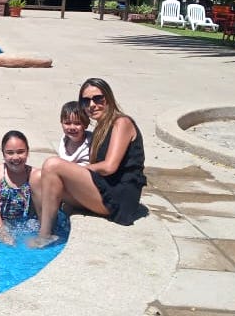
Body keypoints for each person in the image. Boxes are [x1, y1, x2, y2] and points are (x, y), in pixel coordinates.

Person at [28, 78, 147, 248]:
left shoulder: (121, 123)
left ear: (109, 98)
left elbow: (109, 166)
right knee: (37, 177)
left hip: (118, 199)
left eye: (98, 99)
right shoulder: (101, 128)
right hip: (102, 190)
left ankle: (45, 235)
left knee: (53, 165)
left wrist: (75, 170)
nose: (92, 105)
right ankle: (48, 226)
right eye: (86, 101)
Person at [58, 100, 92, 165]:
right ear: (61, 123)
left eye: (77, 123)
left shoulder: (91, 143)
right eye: (67, 123)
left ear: (86, 124)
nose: (72, 127)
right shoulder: (64, 140)